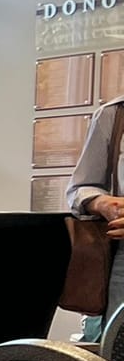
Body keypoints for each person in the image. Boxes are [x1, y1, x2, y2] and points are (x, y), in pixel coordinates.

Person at [66, 93, 124, 337]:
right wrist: (102, 203)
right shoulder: (114, 115)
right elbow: (79, 188)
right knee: (116, 358)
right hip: (122, 258)